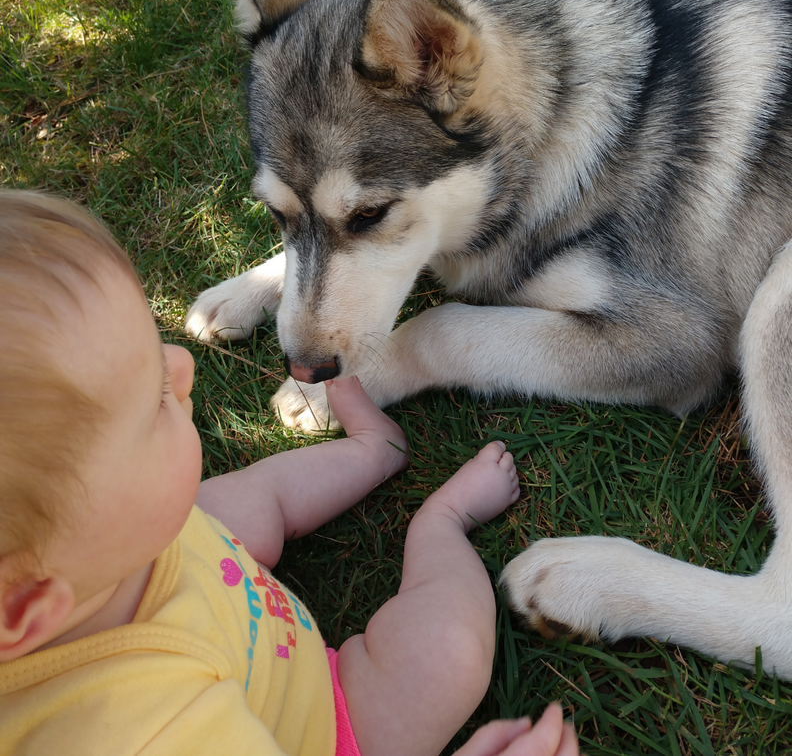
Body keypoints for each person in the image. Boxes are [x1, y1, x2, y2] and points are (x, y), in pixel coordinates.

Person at [0, 190, 579, 756]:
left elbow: (271, 494)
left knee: (255, 500)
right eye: (150, 401)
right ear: (26, 606)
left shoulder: (111, 543)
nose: (180, 367)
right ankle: (442, 525)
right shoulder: (141, 731)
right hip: (334, 722)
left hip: (202, 588)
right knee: (449, 653)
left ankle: (373, 450)